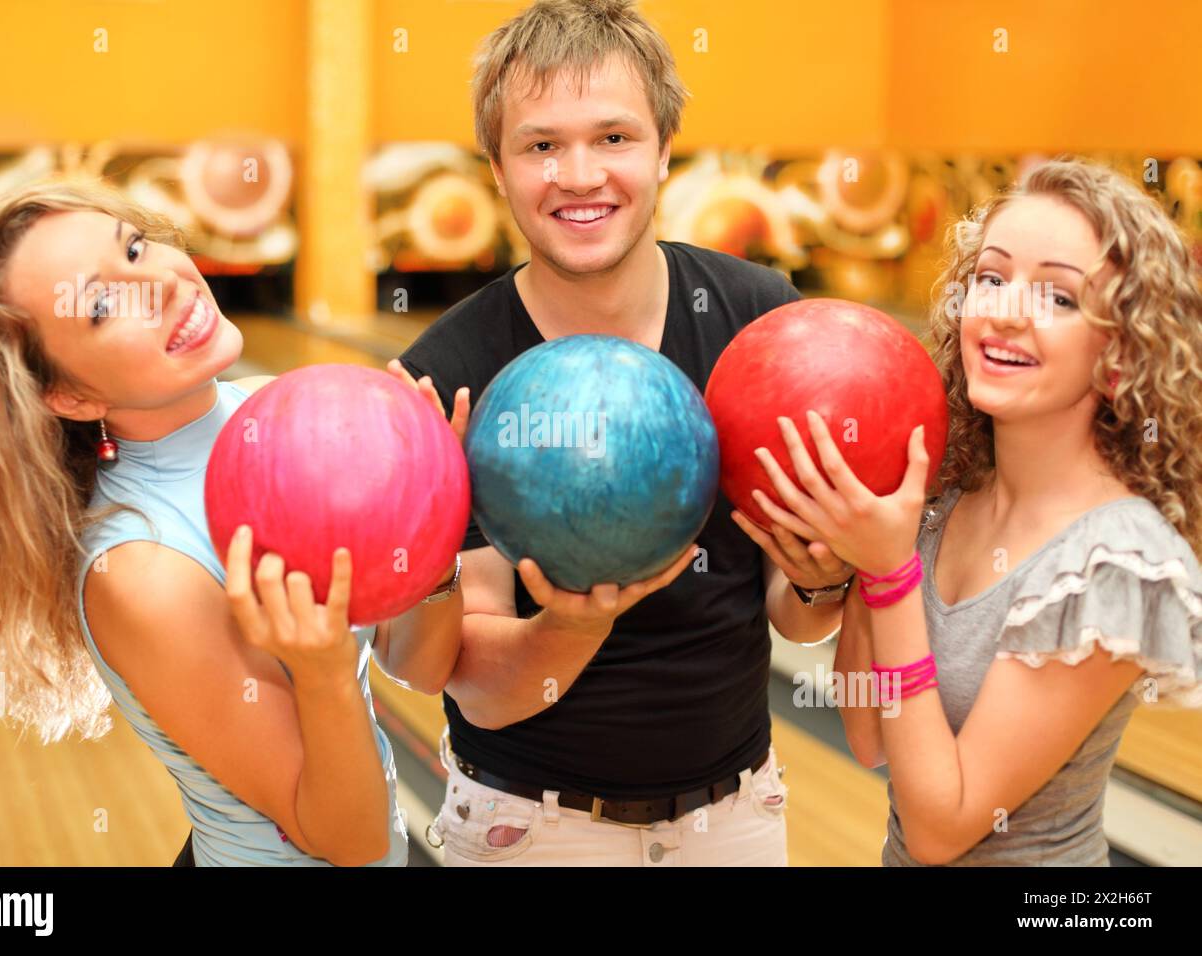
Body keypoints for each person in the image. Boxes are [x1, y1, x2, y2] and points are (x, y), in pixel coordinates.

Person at [396, 0, 853, 867]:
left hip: (739, 813)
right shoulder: (453, 370)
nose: (579, 174)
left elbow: (794, 620)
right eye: (540, 145)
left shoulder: (758, 321)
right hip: (529, 827)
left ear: (665, 149)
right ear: (496, 167)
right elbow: (473, 687)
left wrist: (824, 580)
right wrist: (570, 626)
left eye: (614, 138)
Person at [0, 179, 468, 866]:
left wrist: (438, 528)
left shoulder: (277, 407)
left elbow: (419, 664)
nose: (162, 287)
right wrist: (323, 674)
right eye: (102, 305)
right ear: (70, 394)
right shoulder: (142, 569)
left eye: (137, 249)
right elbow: (346, 841)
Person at [744, 157, 1202, 865]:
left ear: (1119, 356)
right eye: (991, 278)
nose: (1004, 311)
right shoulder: (943, 497)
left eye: (1057, 296)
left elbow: (942, 827)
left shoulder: (1114, 564)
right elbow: (867, 738)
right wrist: (862, 563)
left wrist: (890, 572)